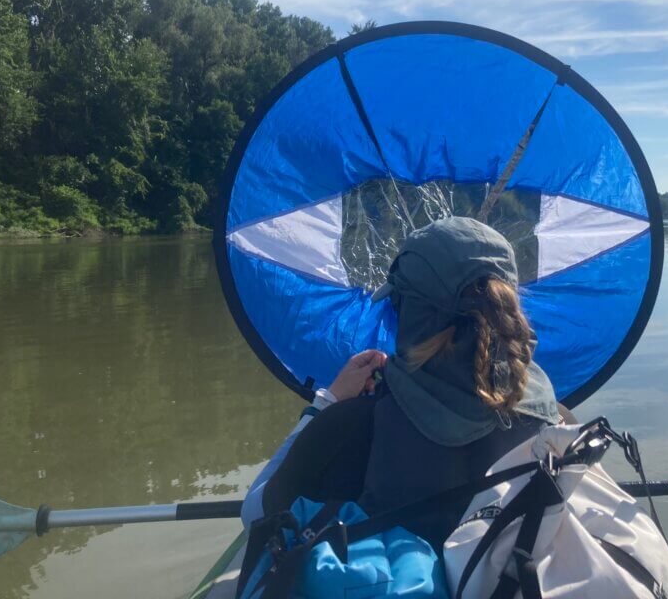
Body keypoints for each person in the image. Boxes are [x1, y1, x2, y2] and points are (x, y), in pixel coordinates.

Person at [242, 216, 571, 551]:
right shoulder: (555, 420)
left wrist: (326, 403)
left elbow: (255, 513)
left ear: (411, 315)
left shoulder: (348, 425)